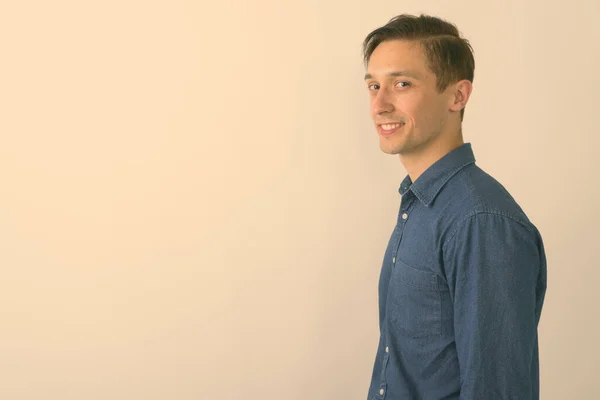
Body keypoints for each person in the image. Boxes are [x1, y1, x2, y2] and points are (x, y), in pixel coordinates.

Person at [362, 14, 547, 400]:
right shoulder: (420, 203)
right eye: (373, 85)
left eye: (401, 84)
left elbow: (498, 390)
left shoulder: (480, 222)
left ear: (457, 96)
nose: (379, 104)